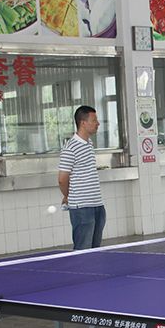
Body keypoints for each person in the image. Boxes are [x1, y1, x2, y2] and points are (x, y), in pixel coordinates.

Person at [58, 105, 105, 250]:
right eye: (94, 120)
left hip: (97, 205)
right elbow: (62, 179)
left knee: (95, 249)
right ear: (83, 123)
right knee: (83, 250)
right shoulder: (70, 148)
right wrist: (67, 196)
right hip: (81, 208)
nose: (98, 123)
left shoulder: (89, 144)